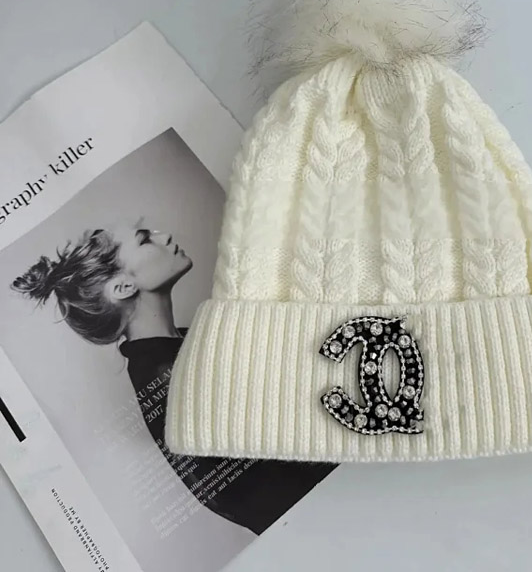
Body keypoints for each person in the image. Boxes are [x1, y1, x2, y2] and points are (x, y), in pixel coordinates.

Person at [12, 223, 335, 533]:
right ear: (123, 287)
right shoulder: (163, 372)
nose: (163, 235)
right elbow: (238, 492)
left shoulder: (180, 344)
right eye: (144, 239)